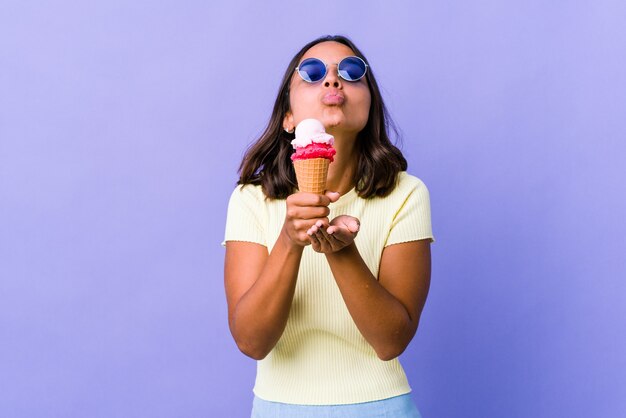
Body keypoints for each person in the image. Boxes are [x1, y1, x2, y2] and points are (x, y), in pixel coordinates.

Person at [222, 34, 434, 418]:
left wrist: (342, 253)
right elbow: (252, 341)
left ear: (370, 106)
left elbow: (391, 341)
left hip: (381, 408)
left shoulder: (406, 194)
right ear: (288, 116)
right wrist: (289, 240)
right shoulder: (251, 200)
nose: (334, 81)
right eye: (313, 73)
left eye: (353, 73)